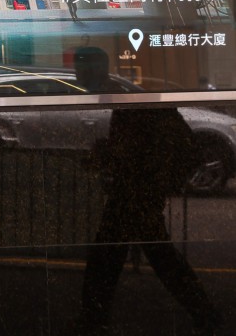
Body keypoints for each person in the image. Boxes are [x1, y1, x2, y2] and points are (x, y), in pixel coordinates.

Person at [74, 47, 223, 336]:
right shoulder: (126, 95)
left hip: (136, 191)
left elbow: (133, 150)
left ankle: (93, 320)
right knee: (153, 256)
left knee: (110, 258)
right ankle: (204, 313)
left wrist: (106, 156)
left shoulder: (124, 99)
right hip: (142, 189)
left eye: (81, 69)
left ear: (94, 69)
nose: (78, 77)